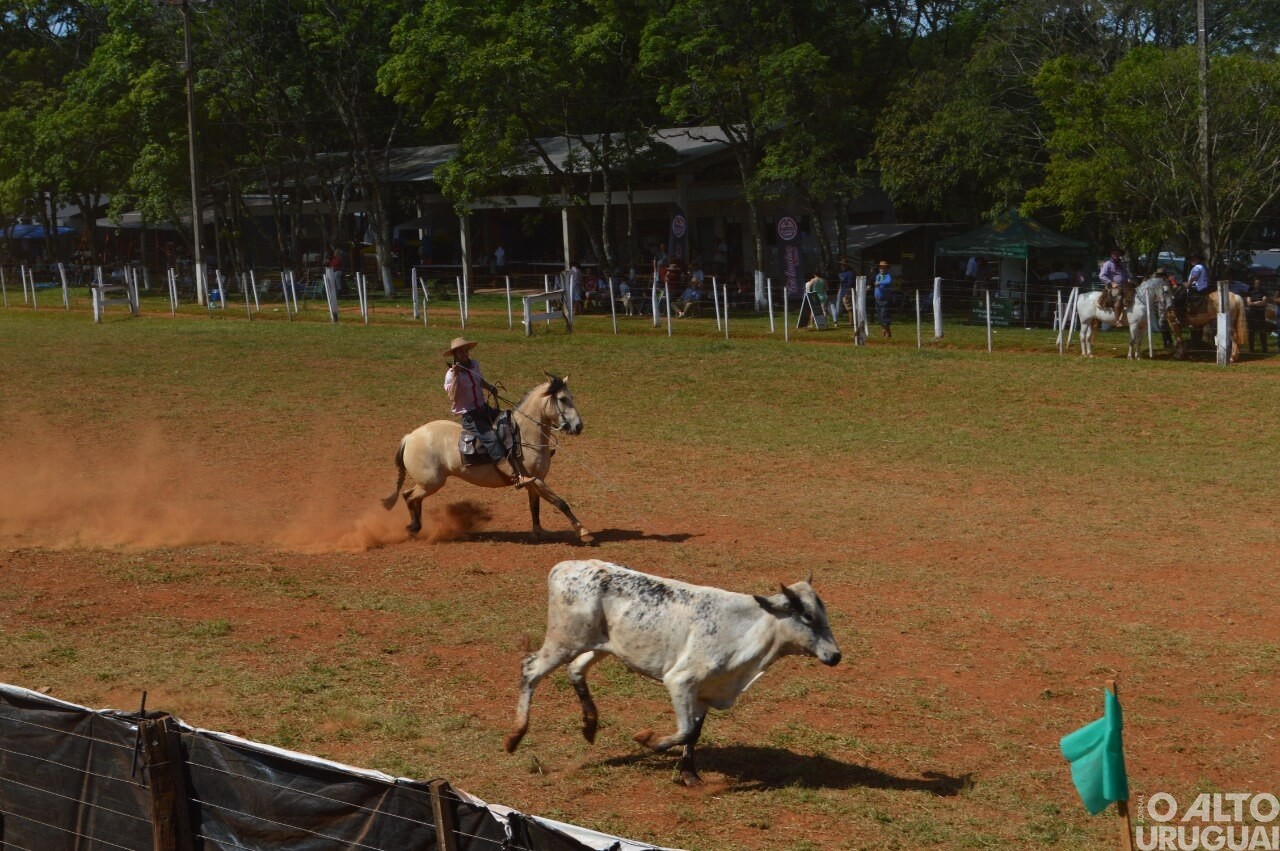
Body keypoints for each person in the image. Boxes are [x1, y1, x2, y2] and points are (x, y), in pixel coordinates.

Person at [442, 337, 532, 488]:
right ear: (455, 355)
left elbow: (478, 380)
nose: (464, 354)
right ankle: (516, 477)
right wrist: (457, 376)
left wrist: (490, 387)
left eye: (466, 350)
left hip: (483, 408)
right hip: (470, 417)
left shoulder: (474, 365)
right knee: (492, 440)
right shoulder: (451, 375)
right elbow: (452, 396)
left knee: (509, 422)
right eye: (460, 352)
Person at [1099, 247, 1131, 327]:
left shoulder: (1121, 264)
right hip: (1112, 286)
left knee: (1134, 295)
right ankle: (1117, 321)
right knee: (1119, 297)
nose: (1116, 255)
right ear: (1111, 254)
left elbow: (1127, 274)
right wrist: (1111, 282)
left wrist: (1129, 279)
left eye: (1118, 253)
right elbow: (1102, 275)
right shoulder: (1108, 263)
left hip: (1124, 285)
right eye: (1114, 253)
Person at [1246, 278, 1270, 353]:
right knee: (1251, 332)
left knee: (1262, 331)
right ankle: (1251, 349)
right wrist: (1257, 303)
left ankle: (1264, 349)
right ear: (1253, 283)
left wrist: (1254, 303)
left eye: (1258, 283)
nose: (1257, 284)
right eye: (1255, 283)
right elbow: (1248, 303)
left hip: (1260, 313)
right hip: (1251, 314)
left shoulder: (1263, 291)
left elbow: (1264, 302)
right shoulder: (1250, 291)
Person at [874, 260, 893, 337]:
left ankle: (887, 331)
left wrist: (879, 283)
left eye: (884, 268)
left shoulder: (888, 276)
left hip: (885, 299)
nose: (882, 269)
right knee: (879, 316)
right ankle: (885, 330)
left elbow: (888, 281)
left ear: (886, 269)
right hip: (877, 298)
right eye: (881, 268)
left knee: (884, 315)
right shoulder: (877, 276)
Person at [832, 258, 854, 325]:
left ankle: (851, 321)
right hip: (841, 291)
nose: (842, 266)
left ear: (846, 265)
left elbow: (851, 284)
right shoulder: (841, 273)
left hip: (847, 291)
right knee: (839, 306)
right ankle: (836, 320)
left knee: (848, 306)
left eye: (843, 265)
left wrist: (848, 293)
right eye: (841, 265)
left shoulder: (850, 273)